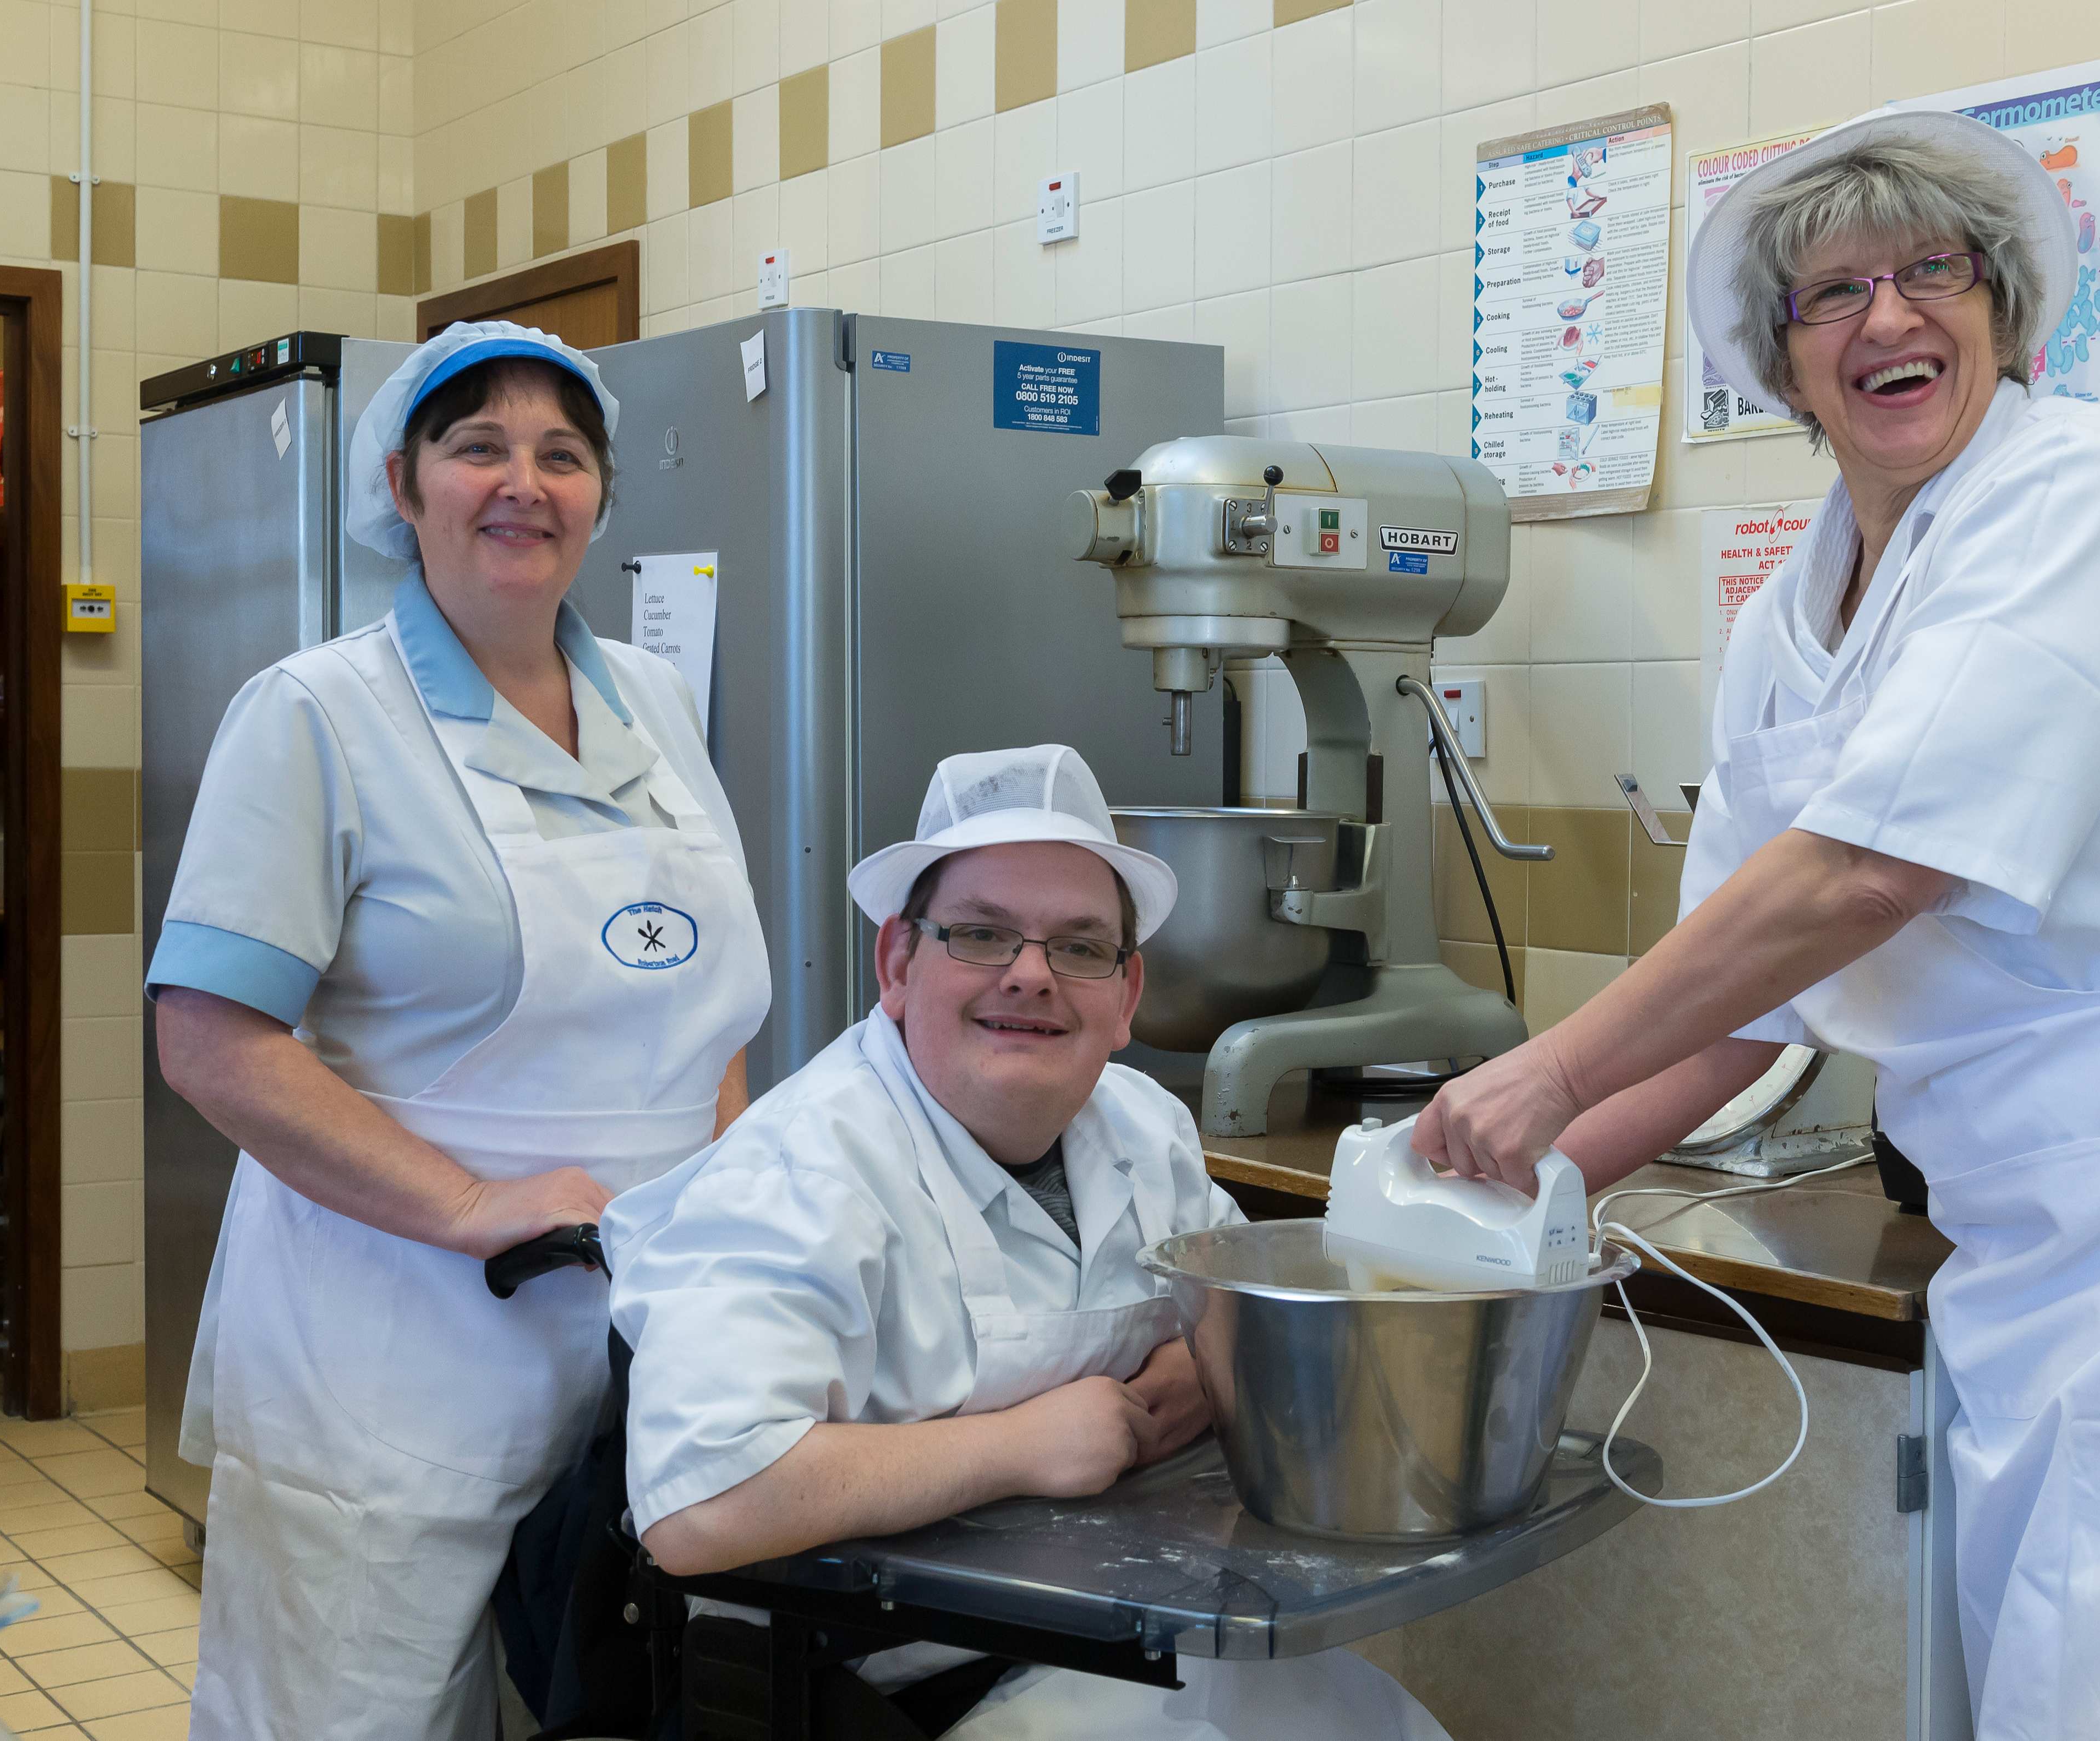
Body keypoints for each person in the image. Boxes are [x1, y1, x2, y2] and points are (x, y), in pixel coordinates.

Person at [1409, 110, 2100, 1740]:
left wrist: (1545, 1075)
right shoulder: (1788, 621)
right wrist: (1532, 1187)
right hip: (2051, 1243)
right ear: (1785, 368)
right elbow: (1747, 987)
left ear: (1999, 308)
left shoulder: (2076, 489)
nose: (1889, 318)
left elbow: (1872, 875)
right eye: (1832, 295)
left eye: (1932, 272)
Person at [147, 321, 772, 1740]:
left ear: (603, 496)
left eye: (562, 454)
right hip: (387, 1371)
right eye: (477, 445)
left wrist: (732, 1219)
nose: (522, 484)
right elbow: (209, 1039)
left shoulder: (660, 705)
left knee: (608, 1710)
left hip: (636, 1354)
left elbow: (704, 1009)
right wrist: (475, 1205)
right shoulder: (315, 715)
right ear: (402, 482)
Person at [604, 745, 1451, 1740]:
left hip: (1104, 1634)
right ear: (896, 965)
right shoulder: (801, 1173)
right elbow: (701, 1504)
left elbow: (1239, 1304)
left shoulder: (1141, 1130)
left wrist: (1198, 1369)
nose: (1032, 976)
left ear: (1128, 996)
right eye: (980, 934)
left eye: (1080, 947)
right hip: (865, 1687)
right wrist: (1021, 1445)